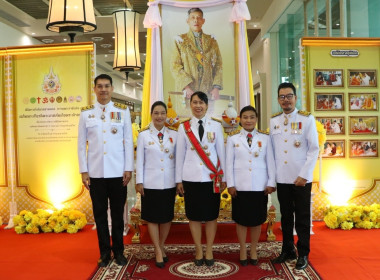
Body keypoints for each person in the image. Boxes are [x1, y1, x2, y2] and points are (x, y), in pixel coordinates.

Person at [77, 74, 134, 267]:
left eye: (107, 86)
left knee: (118, 215)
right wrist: (84, 171)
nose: (103, 89)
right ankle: (104, 253)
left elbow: (128, 141)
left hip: (118, 173)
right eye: (99, 86)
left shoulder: (122, 111)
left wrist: (128, 168)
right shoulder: (86, 114)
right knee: (100, 216)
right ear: (94, 89)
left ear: (112, 89)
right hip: (96, 174)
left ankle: (119, 252)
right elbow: (80, 144)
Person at [270, 82, 319, 270]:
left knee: (302, 217)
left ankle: (303, 253)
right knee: (286, 217)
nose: (286, 100)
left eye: (289, 96)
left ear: (295, 98)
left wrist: (305, 175)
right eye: (282, 97)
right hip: (283, 177)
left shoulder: (307, 119)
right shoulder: (274, 121)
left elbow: (314, 149)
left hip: (300, 178)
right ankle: (288, 249)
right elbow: (274, 152)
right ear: (278, 99)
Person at [176, 91, 226, 267]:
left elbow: (222, 153)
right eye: (195, 102)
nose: (198, 106)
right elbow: (179, 155)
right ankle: (198, 249)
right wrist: (178, 180)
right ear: (190, 105)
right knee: (194, 216)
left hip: (211, 179)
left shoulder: (216, 126)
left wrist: (224, 177)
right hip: (190, 178)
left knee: (212, 216)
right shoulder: (183, 128)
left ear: (207, 105)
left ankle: (210, 249)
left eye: (201, 103)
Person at [226, 105, 276, 266]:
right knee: (241, 220)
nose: (248, 120)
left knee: (256, 220)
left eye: (252, 117)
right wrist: (230, 184)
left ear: (256, 119)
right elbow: (228, 164)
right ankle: (242, 249)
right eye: (245, 117)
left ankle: (253, 249)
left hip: (259, 186)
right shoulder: (233, 139)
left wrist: (271, 182)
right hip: (239, 187)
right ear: (240, 119)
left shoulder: (265, 138)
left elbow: (270, 162)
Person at [135, 101, 178, 268]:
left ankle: (161, 245)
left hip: (169, 181)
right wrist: (139, 181)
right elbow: (140, 161)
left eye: (162, 113)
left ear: (166, 115)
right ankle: (158, 250)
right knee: (152, 217)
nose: (159, 116)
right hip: (150, 182)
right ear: (151, 115)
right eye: (156, 113)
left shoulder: (174, 135)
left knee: (167, 217)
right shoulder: (143, 135)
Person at [171, 7, 223, 114]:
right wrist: (186, 86)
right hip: (188, 91)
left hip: (207, 90)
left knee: (207, 122)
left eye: (199, 18)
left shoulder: (212, 41)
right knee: (186, 123)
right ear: (188, 21)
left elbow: (218, 65)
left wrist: (216, 87)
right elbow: (175, 66)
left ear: (203, 21)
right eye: (193, 18)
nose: (196, 20)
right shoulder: (180, 40)